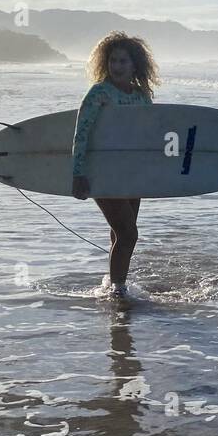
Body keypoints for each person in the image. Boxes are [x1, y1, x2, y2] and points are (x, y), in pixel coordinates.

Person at [70, 32, 158, 298]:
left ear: (135, 65)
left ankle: (113, 282)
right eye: (113, 61)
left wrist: (153, 171)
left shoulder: (141, 96)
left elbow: (148, 136)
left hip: (131, 172)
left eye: (123, 61)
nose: (117, 66)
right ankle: (118, 292)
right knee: (128, 233)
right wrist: (78, 173)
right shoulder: (100, 93)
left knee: (119, 232)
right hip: (103, 171)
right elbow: (81, 133)